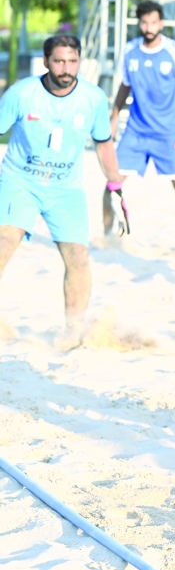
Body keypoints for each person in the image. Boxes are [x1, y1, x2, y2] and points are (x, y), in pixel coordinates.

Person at [0, 35, 123, 346]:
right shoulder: (22, 93)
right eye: (58, 61)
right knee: (3, 244)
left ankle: (72, 333)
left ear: (79, 60)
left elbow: (104, 143)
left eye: (72, 61)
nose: (66, 68)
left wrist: (115, 182)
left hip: (66, 189)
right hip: (19, 182)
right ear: (46, 62)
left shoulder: (93, 98)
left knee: (79, 257)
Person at [109, 0, 175, 252]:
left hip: (169, 133)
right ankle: (106, 237)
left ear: (161, 23)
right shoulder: (130, 50)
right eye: (144, 22)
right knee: (112, 184)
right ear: (139, 23)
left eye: (153, 22)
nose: (149, 27)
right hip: (136, 131)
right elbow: (124, 86)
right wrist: (114, 117)